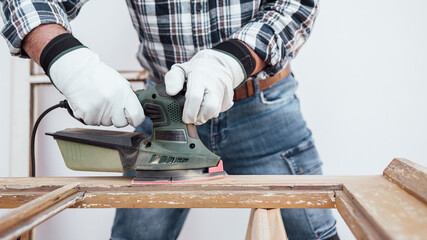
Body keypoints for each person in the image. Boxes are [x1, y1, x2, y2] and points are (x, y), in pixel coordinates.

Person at [1, 0, 339, 239]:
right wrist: (68, 62)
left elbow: (297, 5)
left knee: (314, 232)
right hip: (163, 111)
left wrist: (231, 61)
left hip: (262, 107)